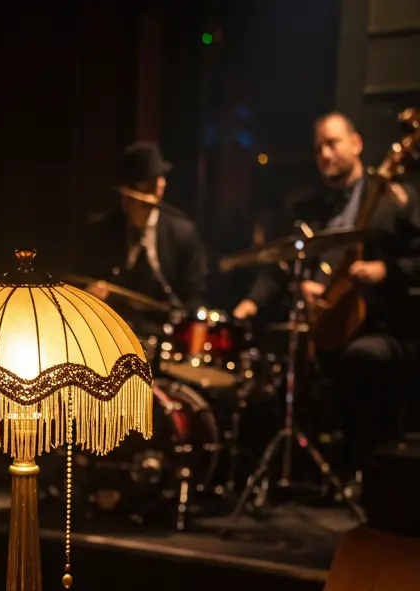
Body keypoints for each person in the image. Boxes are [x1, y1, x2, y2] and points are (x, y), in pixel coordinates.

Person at [233, 112, 420, 470]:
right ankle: (284, 472)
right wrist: (250, 306)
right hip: (323, 323)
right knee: (267, 358)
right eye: (319, 148)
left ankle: (361, 469)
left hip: (378, 324)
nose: (325, 154)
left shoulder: (392, 198)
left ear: (357, 144)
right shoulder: (311, 209)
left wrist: (387, 270)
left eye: (332, 144)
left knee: (364, 357)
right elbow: (280, 265)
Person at [79, 140, 208, 313]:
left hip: (166, 330)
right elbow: (80, 281)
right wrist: (89, 295)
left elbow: (194, 296)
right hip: (114, 328)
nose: (130, 203)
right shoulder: (101, 230)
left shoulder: (183, 234)